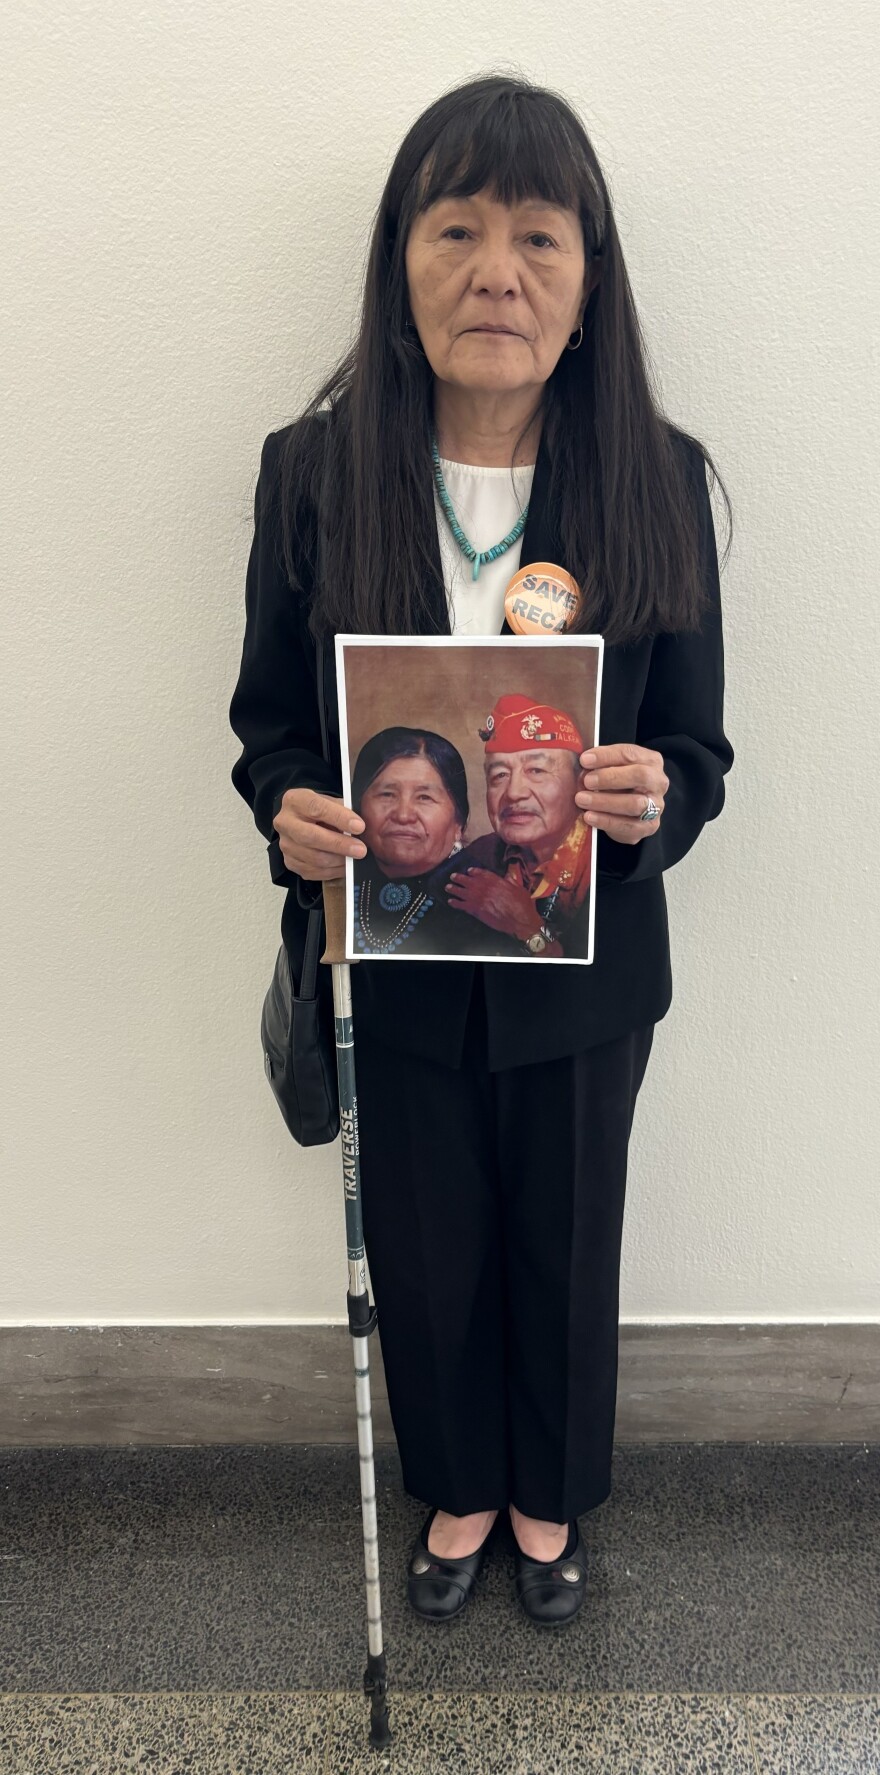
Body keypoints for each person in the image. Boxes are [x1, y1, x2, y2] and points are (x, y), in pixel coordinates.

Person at [229, 74, 734, 1627]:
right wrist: (293, 813)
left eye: (536, 237)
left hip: (581, 967)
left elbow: (703, 756)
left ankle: (546, 1496)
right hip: (392, 947)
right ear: (402, 264)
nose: (495, 271)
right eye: (455, 229)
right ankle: (454, 1485)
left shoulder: (657, 478)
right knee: (433, 1242)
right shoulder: (313, 474)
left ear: (590, 284)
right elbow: (271, 729)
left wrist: (654, 806)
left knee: (567, 1240)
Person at [445, 691, 593, 959]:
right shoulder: (478, 856)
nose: (513, 793)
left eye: (536, 771)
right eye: (499, 775)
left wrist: (526, 926)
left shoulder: (600, 858)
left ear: (579, 782)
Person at [350, 725, 486, 956]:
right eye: (387, 794)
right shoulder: (332, 878)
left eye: (425, 797)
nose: (403, 815)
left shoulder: (484, 902)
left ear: (458, 822)